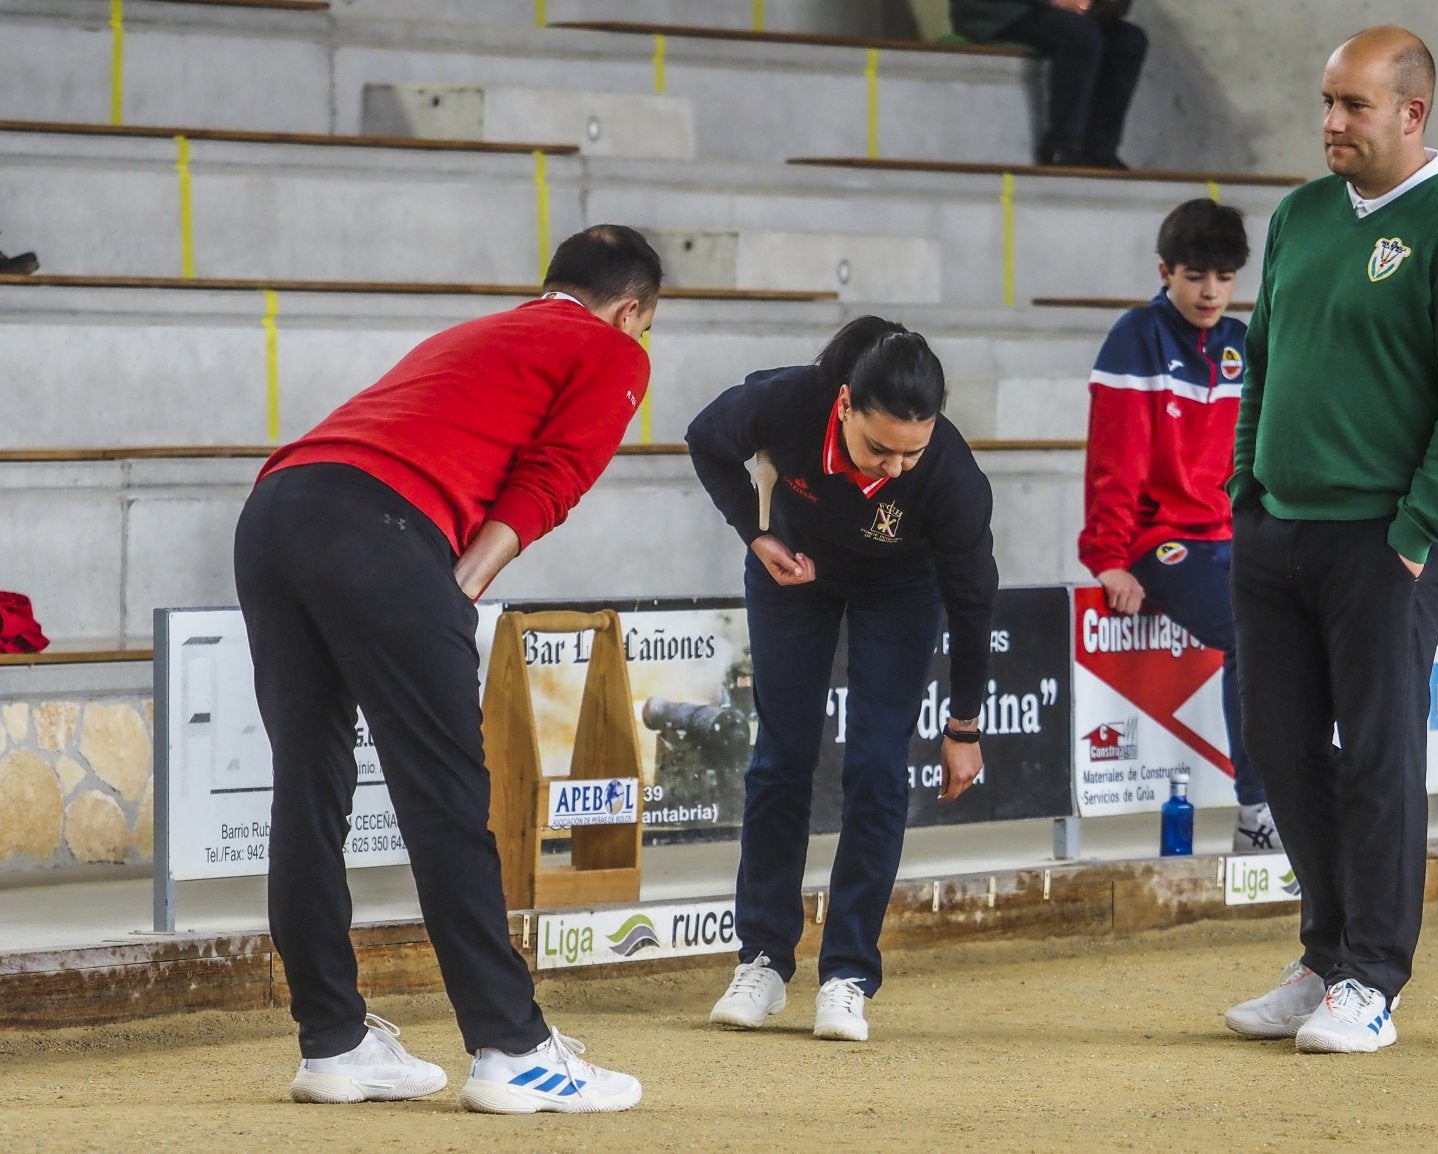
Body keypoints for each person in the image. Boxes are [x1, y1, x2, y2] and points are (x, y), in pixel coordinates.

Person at [234, 225, 660, 1112]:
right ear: (631, 310)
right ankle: (513, 1049)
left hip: (276, 507)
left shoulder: (474, 334)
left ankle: (335, 1043)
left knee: (307, 784)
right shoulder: (609, 348)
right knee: (446, 795)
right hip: (380, 530)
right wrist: (460, 581)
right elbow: (554, 476)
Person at [1223, 27, 1438, 1054]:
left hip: (1390, 538)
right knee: (1278, 742)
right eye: (1326, 101)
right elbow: (1263, 360)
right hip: (1277, 529)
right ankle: (1324, 954)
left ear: (1411, 113)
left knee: (1378, 756)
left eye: (1352, 105)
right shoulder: (1302, 214)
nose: (1330, 123)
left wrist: (1414, 532)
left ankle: (1375, 978)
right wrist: (1244, 493)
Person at [686, 316, 998, 1043]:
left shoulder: (949, 475)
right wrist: (754, 533)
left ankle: (848, 973)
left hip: (901, 592)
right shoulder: (787, 403)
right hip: (794, 575)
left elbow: (973, 602)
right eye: (878, 447)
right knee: (781, 759)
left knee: (877, 768)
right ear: (845, 405)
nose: (894, 467)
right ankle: (762, 959)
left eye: (910, 453)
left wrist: (965, 727)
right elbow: (707, 439)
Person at [1078, 197, 1278, 852]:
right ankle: (1258, 814)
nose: (1211, 291)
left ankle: (1290, 804)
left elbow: (1260, 453)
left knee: (1299, 629)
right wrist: (1108, 556)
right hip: (1158, 543)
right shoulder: (1135, 337)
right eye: (1195, 276)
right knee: (1257, 633)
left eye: (1223, 277)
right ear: (1165, 271)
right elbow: (1115, 461)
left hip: (1231, 536)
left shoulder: (1242, 344)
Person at [949, 0, 1147, 168]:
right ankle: (1062, 146)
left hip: (1061, 14)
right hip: (1000, 12)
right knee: (1080, 36)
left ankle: (1099, 151)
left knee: (1129, 41)